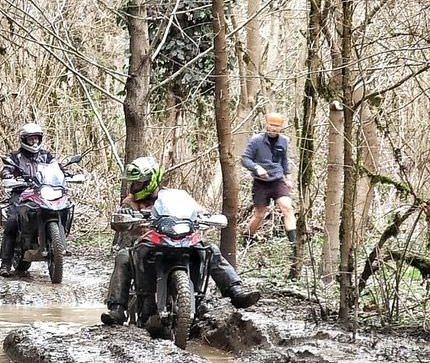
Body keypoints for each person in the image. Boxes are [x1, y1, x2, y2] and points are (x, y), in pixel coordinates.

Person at [101, 156, 260, 326]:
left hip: (180, 239)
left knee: (210, 249)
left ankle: (235, 289)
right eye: (134, 183)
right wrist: (131, 220)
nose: (135, 187)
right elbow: (124, 222)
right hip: (147, 244)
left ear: (151, 180)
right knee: (124, 257)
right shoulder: (130, 202)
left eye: (139, 183)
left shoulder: (173, 197)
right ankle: (117, 309)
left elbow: (197, 209)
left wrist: (204, 216)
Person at [0, 122, 54, 277]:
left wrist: (67, 175)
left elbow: (58, 170)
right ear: (24, 139)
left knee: (60, 208)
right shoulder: (14, 157)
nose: (34, 142)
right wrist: (10, 176)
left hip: (43, 193)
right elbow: (6, 171)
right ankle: (5, 263)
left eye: (37, 138)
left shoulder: (47, 156)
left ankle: (55, 247)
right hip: (21, 193)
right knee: (12, 222)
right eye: (31, 139)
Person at [240, 112, 297, 245]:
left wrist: (288, 177)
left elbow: (283, 160)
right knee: (260, 214)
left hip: (277, 181)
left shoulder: (283, 141)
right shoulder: (256, 140)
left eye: (276, 126)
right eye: (271, 125)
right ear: (266, 124)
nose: (273, 128)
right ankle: (247, 239)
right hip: (261, 183)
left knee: (287, 208)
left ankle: (294, 244)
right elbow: (245, 159)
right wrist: (257, 168)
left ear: (281, 127)